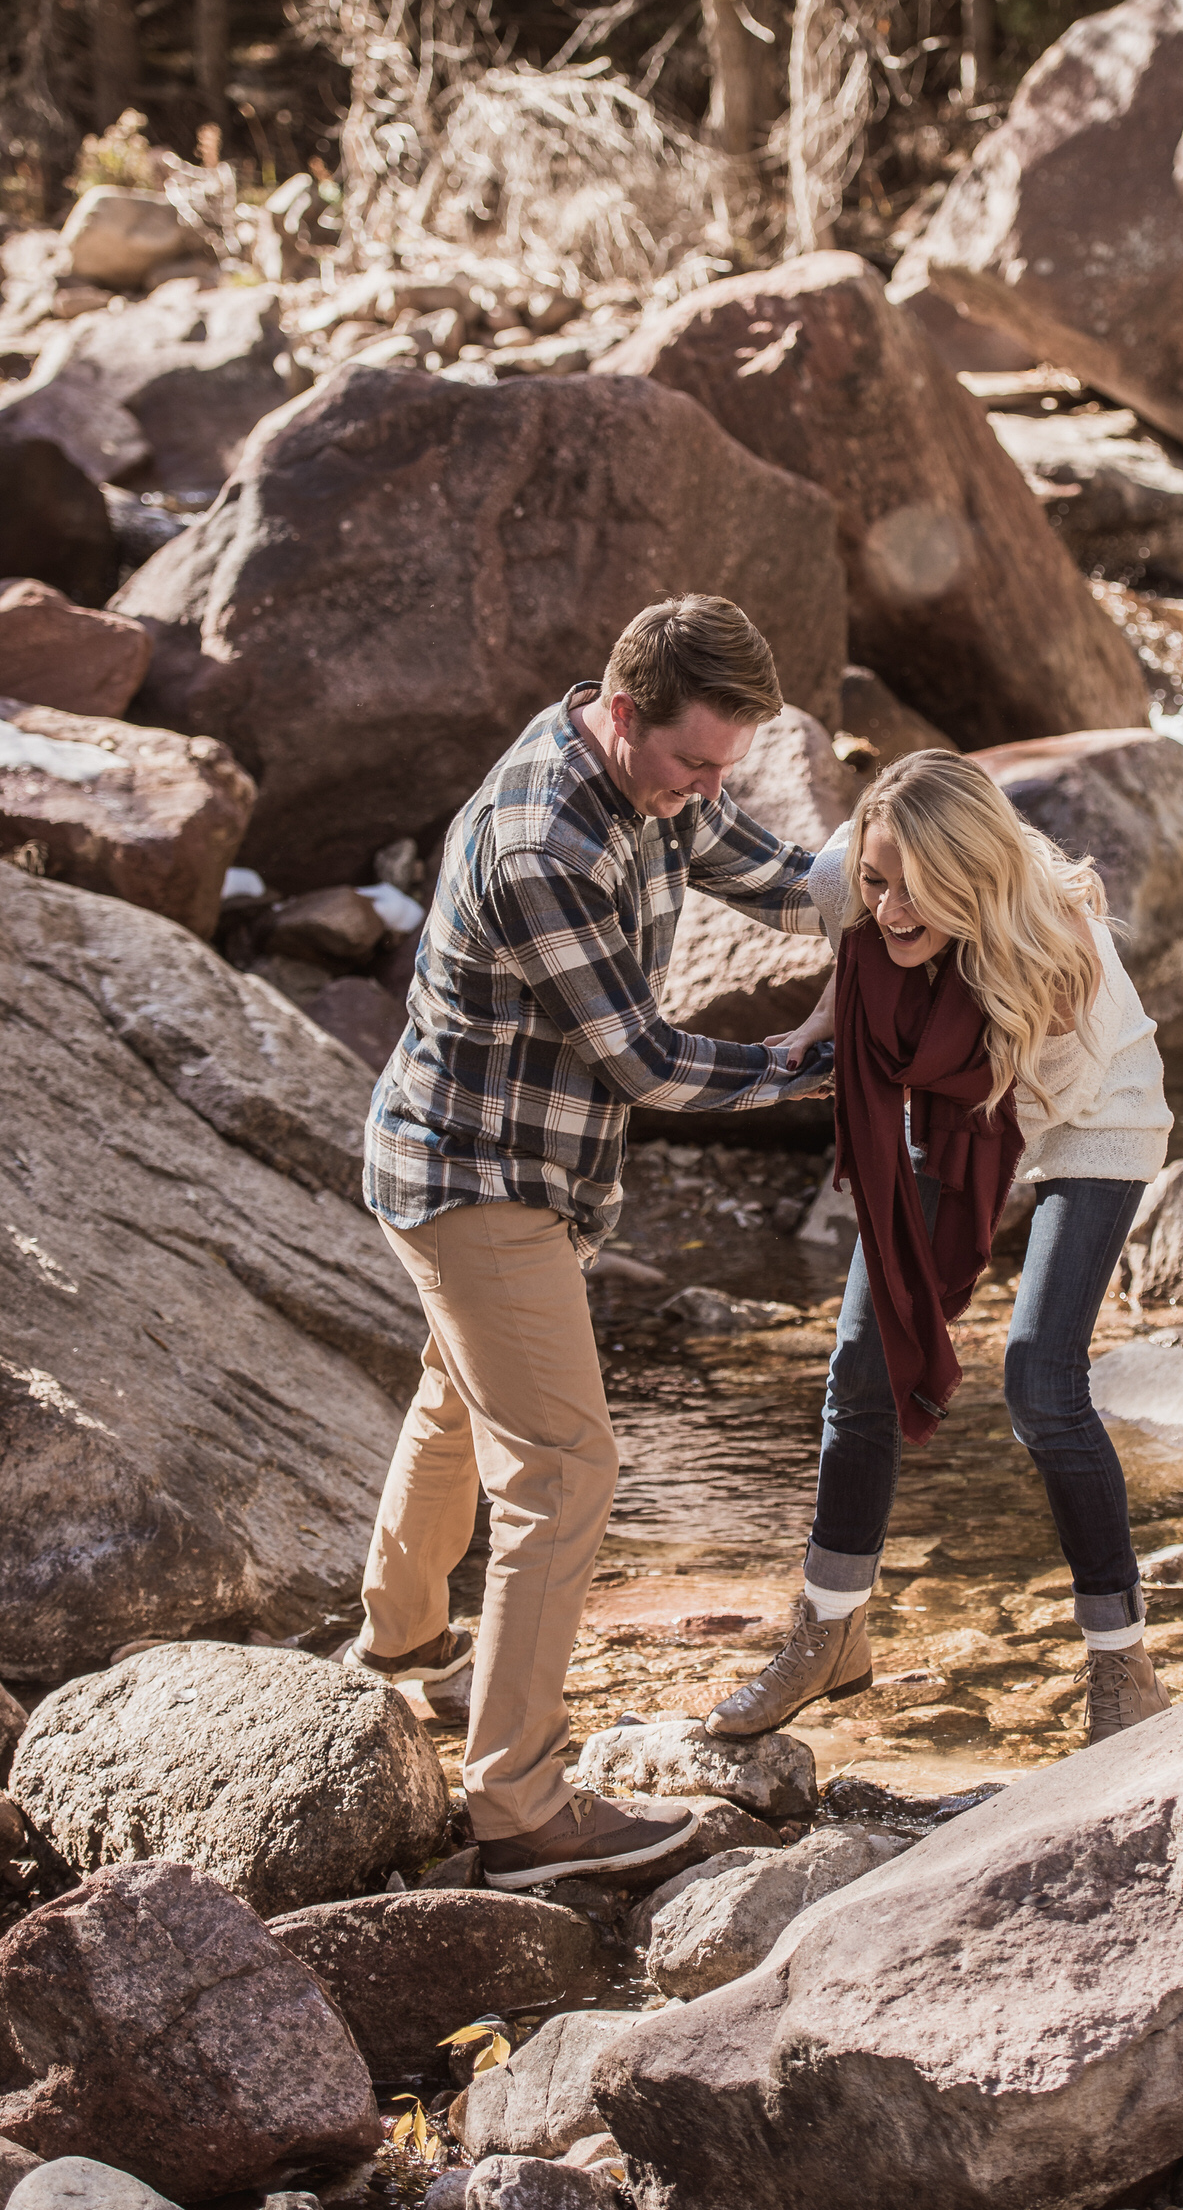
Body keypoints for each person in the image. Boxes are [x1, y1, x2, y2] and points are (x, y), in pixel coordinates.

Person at [349, 595, 833, 1889]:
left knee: (461, 1401)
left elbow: (778, 878)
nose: (707, 790)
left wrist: (899, 887)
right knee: (564, 1473)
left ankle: (399, 1659)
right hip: (472, 1178)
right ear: (623, 714)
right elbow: (644, 1065)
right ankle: (517, 1809)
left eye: (723, 765)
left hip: (511, 1169)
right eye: (692, 763)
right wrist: (809, 1063)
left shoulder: (656, 775)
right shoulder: (542, 838)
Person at [707, 749, 1176, 1752]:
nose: (886, 905)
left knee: (1039, 1385)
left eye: (912, 888)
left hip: (1086, 1116)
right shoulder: (873, 870)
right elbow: (826, 924)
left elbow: (1002, 1114)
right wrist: (806, 1022)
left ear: (968, 874)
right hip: (956, 1111)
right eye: (873, 881)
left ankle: (1121, 1662)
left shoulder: (1054, 947)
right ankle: (828, 1635)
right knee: (856, 1367)